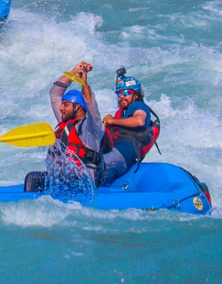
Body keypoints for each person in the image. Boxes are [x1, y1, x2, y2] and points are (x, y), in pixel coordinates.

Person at [24, 61, 110, 192]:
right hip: (61, 179)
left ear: (78, 108)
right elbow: (55, 93)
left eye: (65, 105)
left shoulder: (91, 128)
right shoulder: (65, 122)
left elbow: (91, 105)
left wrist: (84, 83)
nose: (61, 108)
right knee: (32, 179)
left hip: (83, 183)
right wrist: (74, 71)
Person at [102, 72, 160, 170]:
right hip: (117, 150)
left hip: (124, 152)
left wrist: (112, 121)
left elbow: (139, 121)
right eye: (119, 94)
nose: (122, 97)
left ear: (136, 95)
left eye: (126, 93)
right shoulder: (124, 113)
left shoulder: (138, 105)